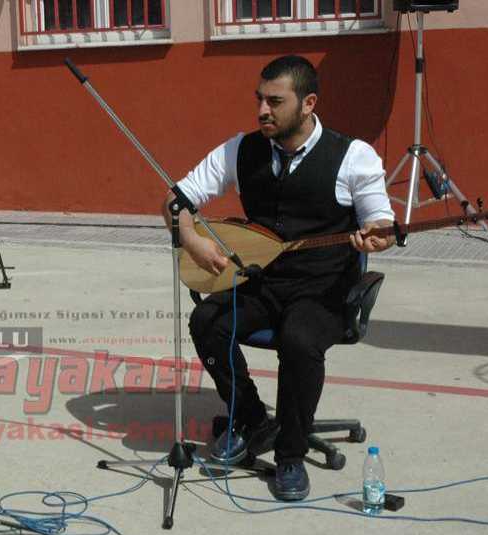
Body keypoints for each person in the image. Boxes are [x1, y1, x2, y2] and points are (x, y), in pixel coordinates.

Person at [163, 55, 395, 501]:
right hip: (261, 281)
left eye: (275, 101)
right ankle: (250, 416)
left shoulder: (353, 156)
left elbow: (379, 223)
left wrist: (376, 239)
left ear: (308, 103)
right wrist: (191, 240)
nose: (262, 111)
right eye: (259, 100)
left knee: (299, 339)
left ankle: (289, 454)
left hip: (324, 288)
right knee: (208, 322)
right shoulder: (241, 149)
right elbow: (175, 202)